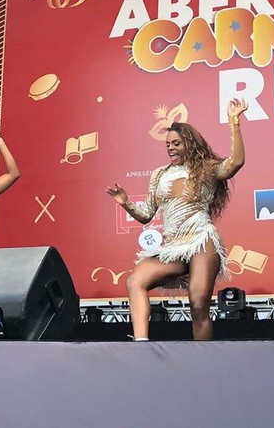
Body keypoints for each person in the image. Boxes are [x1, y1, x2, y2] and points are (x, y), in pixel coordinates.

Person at [105, 99, 248, 341]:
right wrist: (126, 203)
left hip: (202, 242)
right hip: (173, 247)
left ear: (189, 145)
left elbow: (236, 162)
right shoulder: (159, 174)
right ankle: (141, 344)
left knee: (198, 303)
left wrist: (234, 120)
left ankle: (202, 361)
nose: (170, 148)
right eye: (167, 144)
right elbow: (146, 215)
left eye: (176, 144)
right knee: (135, 280)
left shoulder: (206, 168)